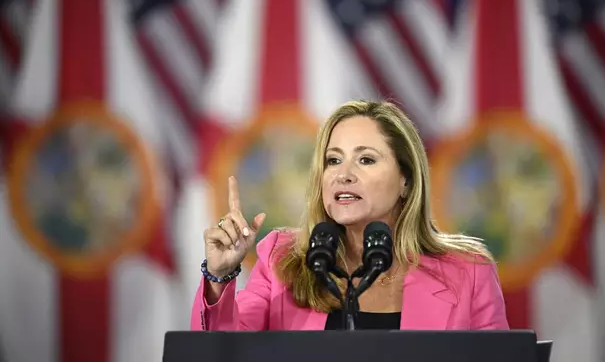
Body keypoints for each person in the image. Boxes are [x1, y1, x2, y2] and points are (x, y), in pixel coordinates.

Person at [191, 100, 509, 331]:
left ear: (406, 179)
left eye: (366, 160)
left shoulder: (470, 272)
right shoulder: (283, 261)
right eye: (333, 160)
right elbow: (221, 354)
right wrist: (218, 278)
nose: (343, 175)